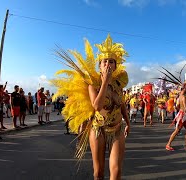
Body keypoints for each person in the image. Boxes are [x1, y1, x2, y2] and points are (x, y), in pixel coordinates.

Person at [52, 35, 130, 179]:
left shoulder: (119, 84)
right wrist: (105, 82)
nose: (108, 64)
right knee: (98, 173)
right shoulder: (93, 85)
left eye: (111, 61)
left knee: (117, 171)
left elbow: (122, 103)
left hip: (117, 128)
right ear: (99, 66)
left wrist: (128, 122)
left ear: (116, 65)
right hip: (98, 129)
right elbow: (97, 106)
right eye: (104, 61)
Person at [166, 83, 186, 152]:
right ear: (184, 89)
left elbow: (177, 106)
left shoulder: (180, 96)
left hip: (182, 115)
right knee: (177, 130)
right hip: (182, 116)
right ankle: (168, 144)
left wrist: (177, 108)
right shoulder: (183, 97)